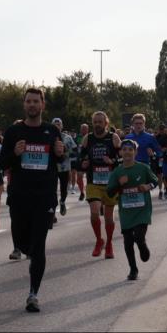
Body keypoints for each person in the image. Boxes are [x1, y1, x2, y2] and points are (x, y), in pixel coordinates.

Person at [0, 88, 65, 312]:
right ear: (24, 105)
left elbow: (61, 160)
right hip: (19, 196)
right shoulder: (14, 131)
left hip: (44, 197)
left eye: (36, 101)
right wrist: (15, 154)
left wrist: (60, 152)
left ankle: (33, 293)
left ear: (43, 105)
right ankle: (27, 252)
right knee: (21, 241)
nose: (32, 105)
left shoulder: (51, 131)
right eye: (28, 101)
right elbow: (2, 163)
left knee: (38, 247)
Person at [107, 139, 158, 280]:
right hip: (126, 211)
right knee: (128, 241)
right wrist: (118, 184)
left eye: (130, 149)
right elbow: (109, 192)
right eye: (124, 149)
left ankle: (142, 246)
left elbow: (155, 181)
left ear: (135, 152)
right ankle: (133, 269)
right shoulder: (117, 172)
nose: (127, 152)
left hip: (142, 210)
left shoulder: (143, 168)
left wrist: (147, 187)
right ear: (120, 152)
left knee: (139, 237)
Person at [80, 111, 121, 259]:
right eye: (95, 122)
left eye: (100, 122)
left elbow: (124, 158)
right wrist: (83, 163)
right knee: (95, 212)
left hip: (110, 182)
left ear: (106, 123)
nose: (97, 124)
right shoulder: (87, 138)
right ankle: (99, 240)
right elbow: (80, 158)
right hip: (93, 181)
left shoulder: (113, 138)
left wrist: (113, 162)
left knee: (109, 218)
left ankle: (109, 243)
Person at [51, 118, 78, 219]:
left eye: (59, 124)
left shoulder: (67, 138)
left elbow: (75, 151)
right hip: (52, 168)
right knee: (51, 191)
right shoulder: (49, 136)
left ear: (62, 126)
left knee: (64, 190)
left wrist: (66, 152)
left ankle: (62, 201)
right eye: (55, 124)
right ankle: (52, 213)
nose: (57, 126)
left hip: (64, 167)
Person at [75, 123, 90, 201]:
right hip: (79, 160)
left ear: (88, 129)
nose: (83, 130)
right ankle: (82, 192)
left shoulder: (90, 137)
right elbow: (75, 146)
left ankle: (88, 193)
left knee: (89, 178)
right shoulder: (78, 137)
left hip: (88, 160)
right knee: (79, 178)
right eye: (82, 128)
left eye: (85, 128)